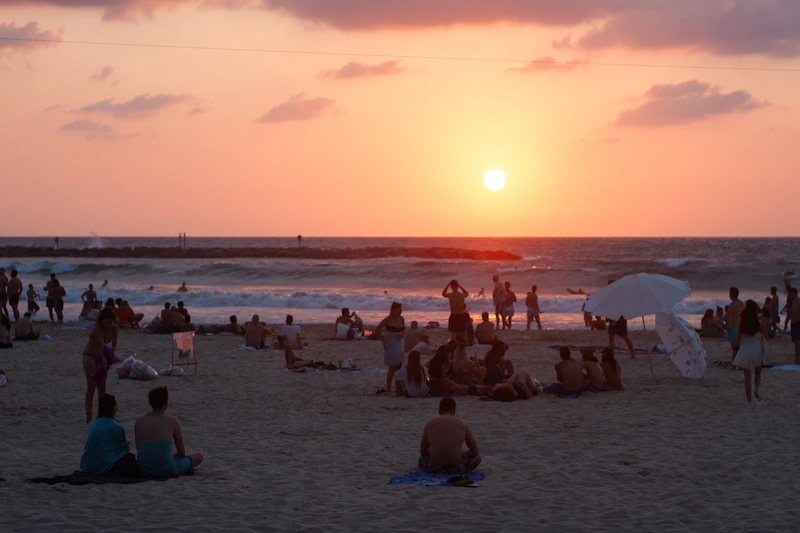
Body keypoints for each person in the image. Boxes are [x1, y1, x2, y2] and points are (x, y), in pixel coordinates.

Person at [135, 385, 203, 477]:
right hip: (167, 469)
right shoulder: (173, 421)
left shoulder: (139, 422)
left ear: (150, 402)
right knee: (199, 456)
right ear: (166, 403)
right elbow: (182, 453)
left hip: (144, 469)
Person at [418, 398, 481, 475]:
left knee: (421, 459)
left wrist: (436, 452)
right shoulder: (463, 424)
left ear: (439, 411)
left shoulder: (429, 424)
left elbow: (423, 452)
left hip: (434, 468)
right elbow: (475, 452)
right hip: (456, 468)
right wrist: (461, 453)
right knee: (478, 458)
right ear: (454, 410)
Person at [80, 394, 138, 476]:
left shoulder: (92, 425)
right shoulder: (117, 427)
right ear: (113, 408)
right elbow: (124, 450)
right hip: (102, 467)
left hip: (87, 465)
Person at [82, 308, 119, 423]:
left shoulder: (114, 329)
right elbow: (101, 344)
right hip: (90, 356)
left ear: (113, 321)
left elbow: (114, 345)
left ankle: (101, 415)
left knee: (102, 388)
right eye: (106, 322)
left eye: (110, 322)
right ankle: (89, 418)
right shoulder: (97, 329)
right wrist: (103, 357)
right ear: (102, 320)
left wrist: (110, 354)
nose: (108, 325)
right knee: (92, 386)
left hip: (103, 357)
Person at [733, 300, 767, 404]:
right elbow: (767, 337)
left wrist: (737, 348)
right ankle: (756, 390)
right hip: (757, 349)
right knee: (758, 372)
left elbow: (737, 341)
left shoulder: (742, 324)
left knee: (747, 377)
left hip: (745, 349)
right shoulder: (760, 323)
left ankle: (749, 401)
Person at [375, 302, 405, 394]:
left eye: (400, 311)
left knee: (399, 365)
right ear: (392, 311)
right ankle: (388, 388)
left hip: (398, 343)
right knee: (392, 367)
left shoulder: (401, 318)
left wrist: (401, 335)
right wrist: (382, 339)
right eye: (397, 312)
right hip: (390, 343)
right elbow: (377, 329)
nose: (399, 314)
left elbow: (404, 329)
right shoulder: (388, 319)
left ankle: (397, 388)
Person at [726, 287, 745, 362]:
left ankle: (735, 363)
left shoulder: (733, 304)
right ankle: (739, 362)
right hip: (740, 326)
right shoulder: (741, 303)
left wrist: (727, 326)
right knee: (739, 346)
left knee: (734, 347)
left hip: (733, 326)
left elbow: (728, 316)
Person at [791, 287, 800, 364]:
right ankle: (797, 359)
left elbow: (795, 311)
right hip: (797, 321)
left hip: (796, 322)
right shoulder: (798, 300)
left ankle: (797, 359)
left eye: (790, 293)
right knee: (797, 341)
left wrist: (794, 320)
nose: (789, 295)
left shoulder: (795, 300)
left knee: (797, 342)